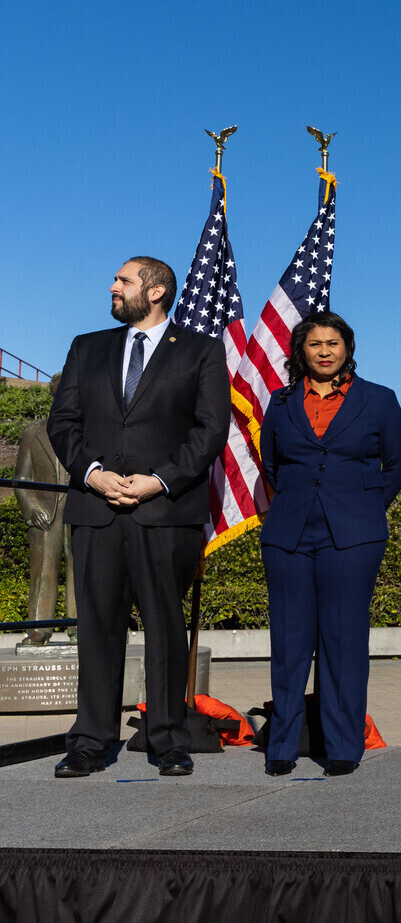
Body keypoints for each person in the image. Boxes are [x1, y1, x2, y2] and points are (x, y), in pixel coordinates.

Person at [47, 257, 229, 777]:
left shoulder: (201, 350)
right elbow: (64, 423)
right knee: (97, 627)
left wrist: (158, 480)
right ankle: (90, 740)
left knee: (166, 628)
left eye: (123, 280)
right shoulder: (88, 347)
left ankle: (168, 738)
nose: (112, 286)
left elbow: (209, 431)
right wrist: (93, 473)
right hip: (96, 509)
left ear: (156, 291)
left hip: (166, 512)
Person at [258, 312, 401, 777]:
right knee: (289, 640)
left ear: (348, 348)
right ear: (300, 351)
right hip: (288, 533)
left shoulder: (380, 400)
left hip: (354, 535)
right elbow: (272, 466)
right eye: (315, 344)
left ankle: (343, 745)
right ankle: (281, 746)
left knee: (343, 641)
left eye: (333, 343)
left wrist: (363, 509)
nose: (324, 351)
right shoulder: (280, 403)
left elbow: (397, 465)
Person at [15, 374, 75, 646]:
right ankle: (38, 630)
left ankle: (79, 628)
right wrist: (32, 508)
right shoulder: (32, 433)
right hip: (45, 513)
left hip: (78, 510)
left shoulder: (86, 432)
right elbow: (20, 480)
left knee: (81, 571)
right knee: (42, 573)